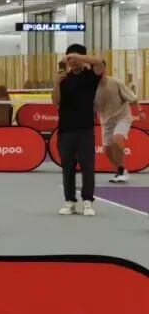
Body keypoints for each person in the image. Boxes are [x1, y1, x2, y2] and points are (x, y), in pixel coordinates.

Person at [52, 45, 104, 216]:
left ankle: (87, 201)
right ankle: (69, 201)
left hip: (85, 129)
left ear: (82, 58)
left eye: (74, 58)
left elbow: (99, 62)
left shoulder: (91, 75)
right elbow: (56, 102)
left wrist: (77, 56)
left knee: (87, 166)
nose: (72, 62)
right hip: (65, 129)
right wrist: (56, 84)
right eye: (69, 59)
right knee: (67, 166)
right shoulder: (64, 78)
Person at [95, 61, 138, 183]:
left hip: (122, 117)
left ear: (105, 68)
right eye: (95, 67)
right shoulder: (90, 87)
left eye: (100, 67)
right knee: (107, 150)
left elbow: (132, 98)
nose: (98, 70)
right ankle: (121, 169)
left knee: (117, 138)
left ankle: (121, 172)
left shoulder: (116, 82)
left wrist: (140, 110)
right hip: (106, 121)